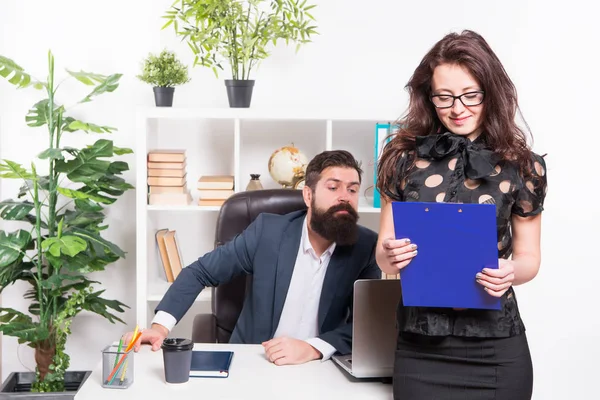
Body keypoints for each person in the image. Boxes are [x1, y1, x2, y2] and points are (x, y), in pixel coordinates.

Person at [376, 30, 547, 400]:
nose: (458, 108)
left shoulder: (522, 165)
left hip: (497, 348)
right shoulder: (402, 158)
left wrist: (511, 271)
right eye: (444, 97)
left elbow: (530, 258)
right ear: (428, 96)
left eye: (471, 95)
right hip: (420, 346)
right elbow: (381, 251)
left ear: (492, 92)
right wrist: (391, 254)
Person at [126, 150, 380, 366]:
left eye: (353, 189)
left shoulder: (366, 246)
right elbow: (199, 272)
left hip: (319, 367)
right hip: (254, 361)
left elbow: (367, 326)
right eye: (333, 187)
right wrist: (159, 328)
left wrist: (313, 348)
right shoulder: (268, 232)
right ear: (308, 195)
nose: (345, 197)